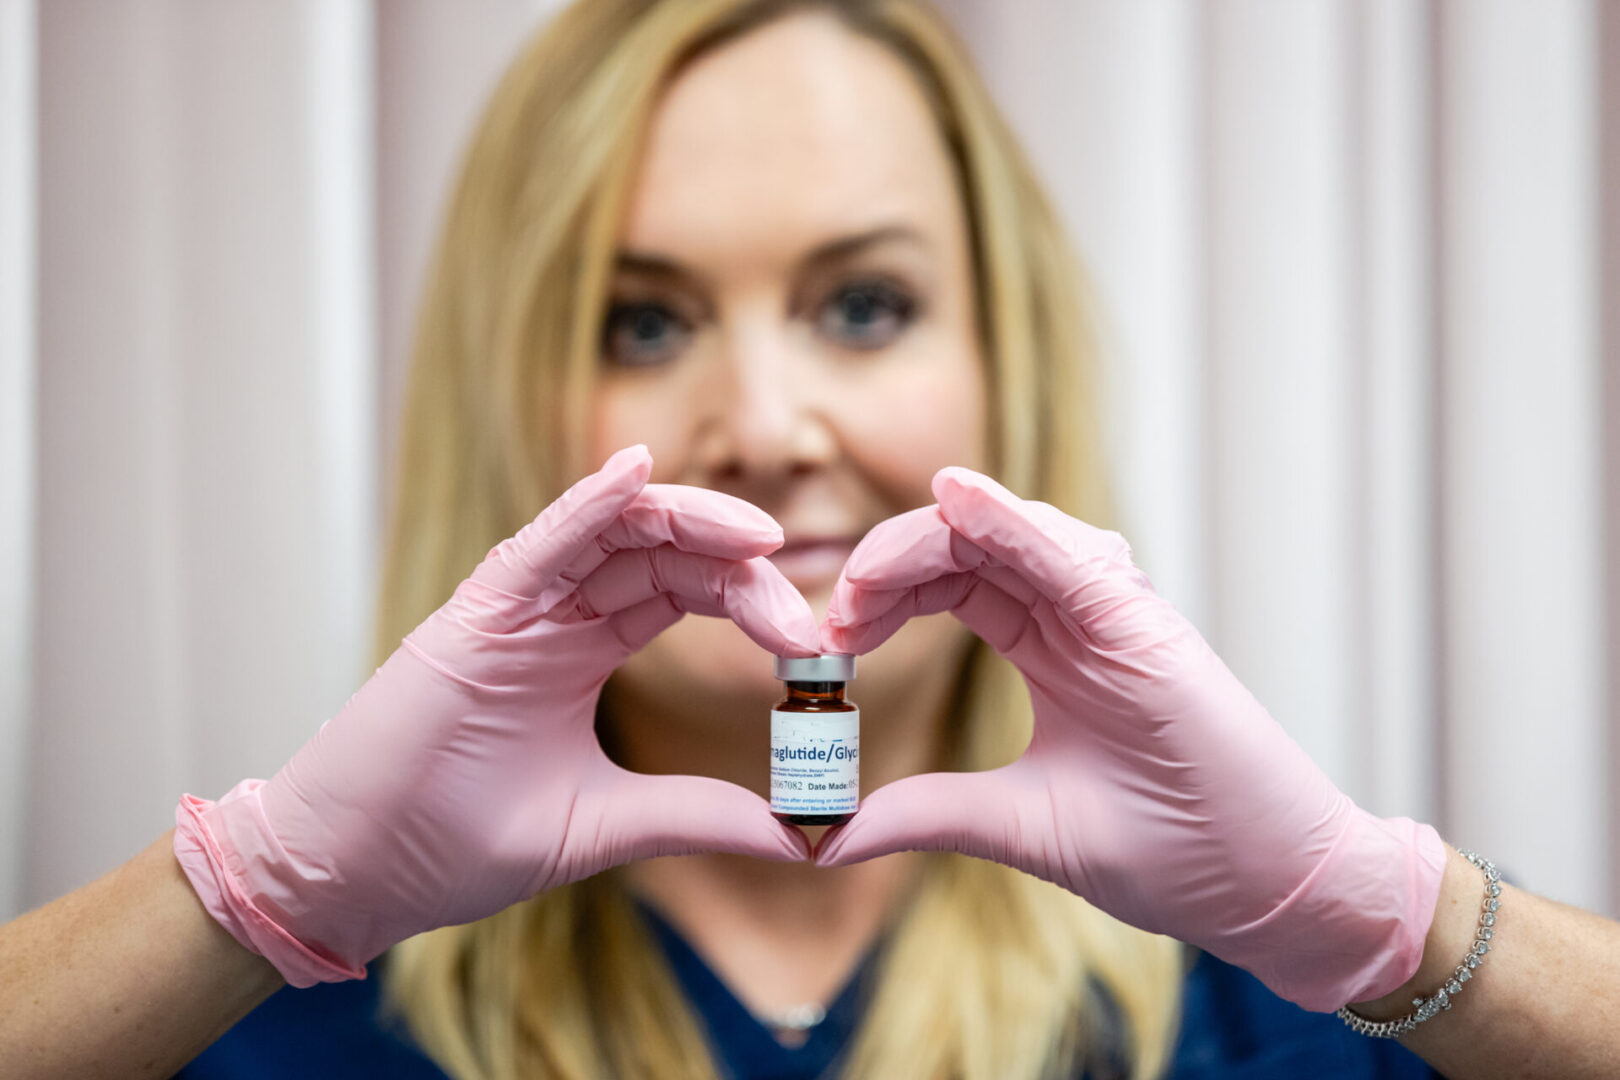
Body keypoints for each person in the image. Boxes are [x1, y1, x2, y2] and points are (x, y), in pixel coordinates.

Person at [3, 1, 1618, 1078]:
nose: (765, 421)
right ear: (512, 399)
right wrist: (238, 902)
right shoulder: (265, 1026)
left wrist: (1408, 927)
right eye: (641, 320)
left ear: (1008, 358)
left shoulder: (1292, 1015)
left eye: (863, 304)